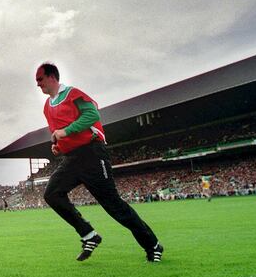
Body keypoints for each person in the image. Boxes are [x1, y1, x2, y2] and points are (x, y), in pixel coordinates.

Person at [35, 62, 163, 262]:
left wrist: (65, 132)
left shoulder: (72, 93)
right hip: (72, 158)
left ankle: (153, 245)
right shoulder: (47, 107)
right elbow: (61, 133)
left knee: (113, 206)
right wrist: (60, 147)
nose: (37, 84)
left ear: (52, 77)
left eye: (40, 79)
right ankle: (88, 234)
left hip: (92, 154)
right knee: (52, 194)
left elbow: (92, 115)